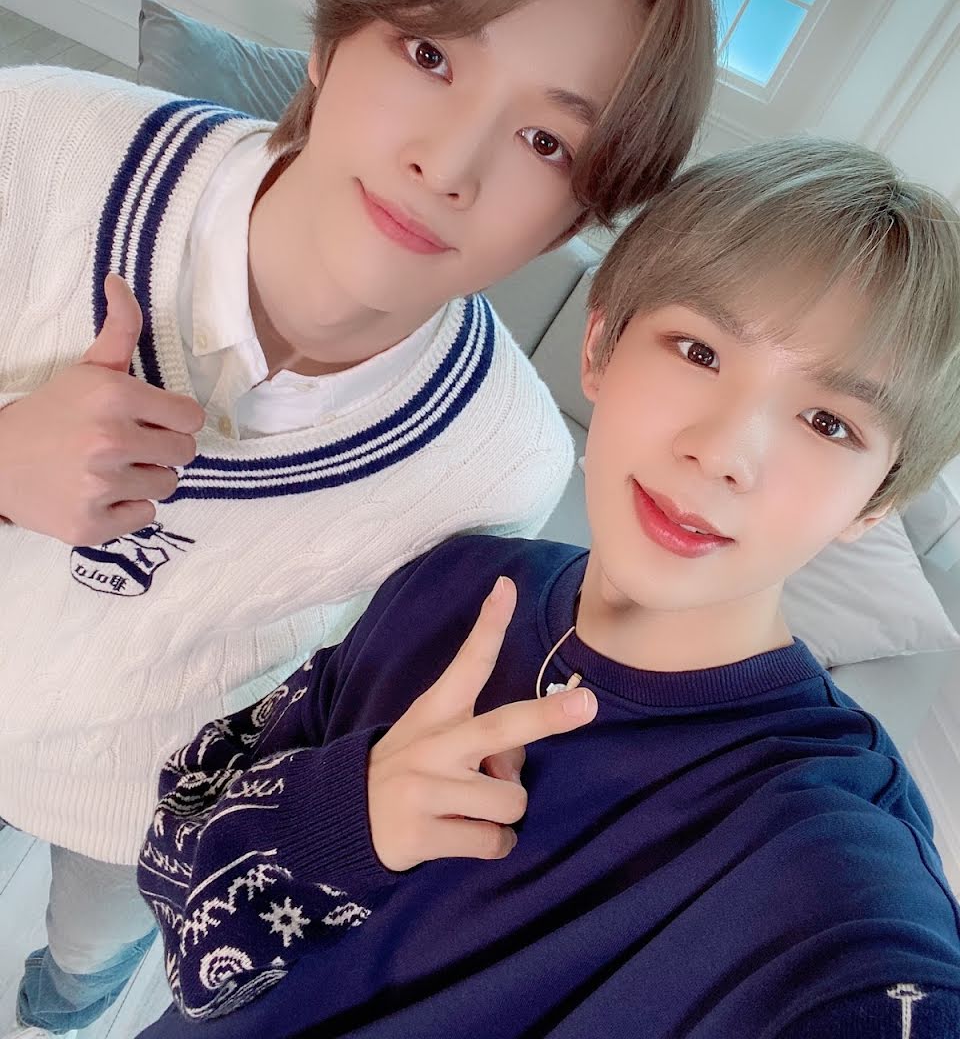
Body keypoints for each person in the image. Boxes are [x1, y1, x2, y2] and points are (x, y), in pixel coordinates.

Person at [0, 0, 715, 1038]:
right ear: (333, 39)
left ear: (575, 218)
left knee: (79, 965)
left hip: (126, 819)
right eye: (430, 53)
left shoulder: (499, 463)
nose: (450, 162)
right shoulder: (37, 142)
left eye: (548, 140)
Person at [138, 139, 960, 1038]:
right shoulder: (455, 580)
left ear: (875, 501)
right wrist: (342, 820)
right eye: (699, 349)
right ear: (600, 345)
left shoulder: (824, 856)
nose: (723, 452)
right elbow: (174, 854)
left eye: (827, 421)